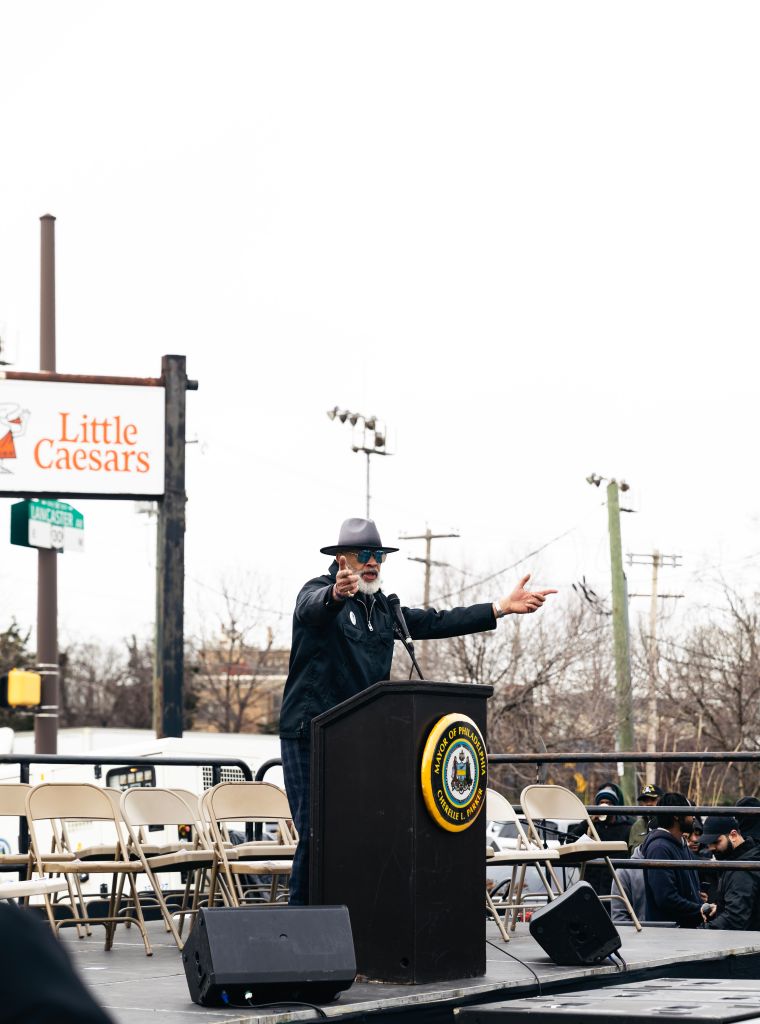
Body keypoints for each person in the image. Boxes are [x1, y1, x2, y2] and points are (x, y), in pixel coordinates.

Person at [279, 517, 557, 904]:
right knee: (316, 833)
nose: (372, 562)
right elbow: (312, 610)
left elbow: (438, 621)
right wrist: (336, 596)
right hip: (311, 735)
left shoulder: (382, 610)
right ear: (341, 558)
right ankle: (298, 927)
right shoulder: (319, 591)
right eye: (364, 555)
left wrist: (500, 608)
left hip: (357, 738)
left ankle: (349, 925)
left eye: (378, 556)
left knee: (359, 832)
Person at [641, 791, 712, 927]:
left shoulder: (681, 844)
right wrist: (698, 909)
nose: (693, 818)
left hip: (683, 930)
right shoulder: (659, 848)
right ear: (676, 816)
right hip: (670, 934)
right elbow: (666, 898)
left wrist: (697, 898)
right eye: (689, 812)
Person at [569, 784, 631, 899]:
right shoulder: (592, 824)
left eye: (608, 803)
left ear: (615, 806)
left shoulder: (626, 827)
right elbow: (570, 838)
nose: (605, 806)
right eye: (602, 802)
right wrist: (588, 822)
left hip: (615, 882)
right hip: (592, 881)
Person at [700, 815, 760, 931]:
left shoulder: (742, 868)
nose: (711, 848)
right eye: (708, 843)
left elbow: (735, 918)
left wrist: (704, 931)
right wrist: (720, 908)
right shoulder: (744, 858)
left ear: (733, 835)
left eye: (716, 842)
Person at [628, 783, 663, 852]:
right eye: (645, 800)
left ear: (662, 800)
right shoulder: (637, 826)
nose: (648, 803)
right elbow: (631, 854)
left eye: (653, 799)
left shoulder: (670, 824)